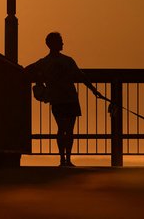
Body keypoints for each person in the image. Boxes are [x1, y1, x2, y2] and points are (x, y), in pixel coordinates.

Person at [26, 32, 102, 167]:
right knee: (68, 130)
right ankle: (67, 158)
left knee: (62, 129)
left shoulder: (44, 63)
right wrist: (93, 90)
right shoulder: (67, 61)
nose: (62, 43)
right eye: (60, 41)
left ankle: (63, 159)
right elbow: (81, 76)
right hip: (69, 98)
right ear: (53, 43)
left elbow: (27, 70)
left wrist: (39, 80)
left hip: (58, 99)